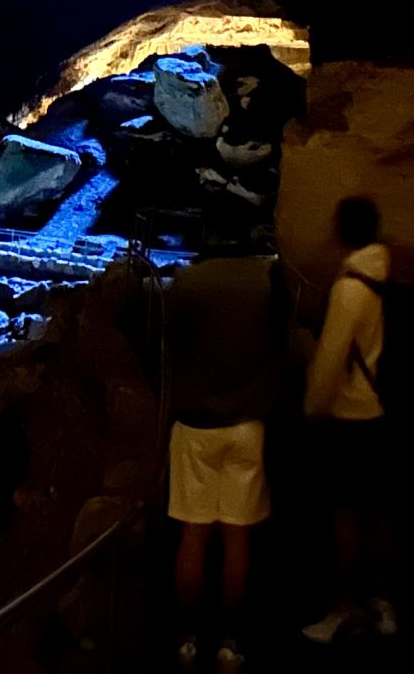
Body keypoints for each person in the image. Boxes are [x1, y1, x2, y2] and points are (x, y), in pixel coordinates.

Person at [163, 252, 285, 672]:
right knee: (238, 538)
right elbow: (280, 342)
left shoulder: (188, 280)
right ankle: (231, 642)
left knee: (193, 533)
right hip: (247, 422)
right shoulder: (268, 280)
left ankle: (186, 639)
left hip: (196, 422)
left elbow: (170, 341)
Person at [301, 195, 397, 644]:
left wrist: (311, 409)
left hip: (349, 415)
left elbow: (329, 360)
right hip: (380, 411)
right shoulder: (383, 275)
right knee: (376, 511)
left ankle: (342, 609)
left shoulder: (350, 287)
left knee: (343, 514)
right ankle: (381, 603)